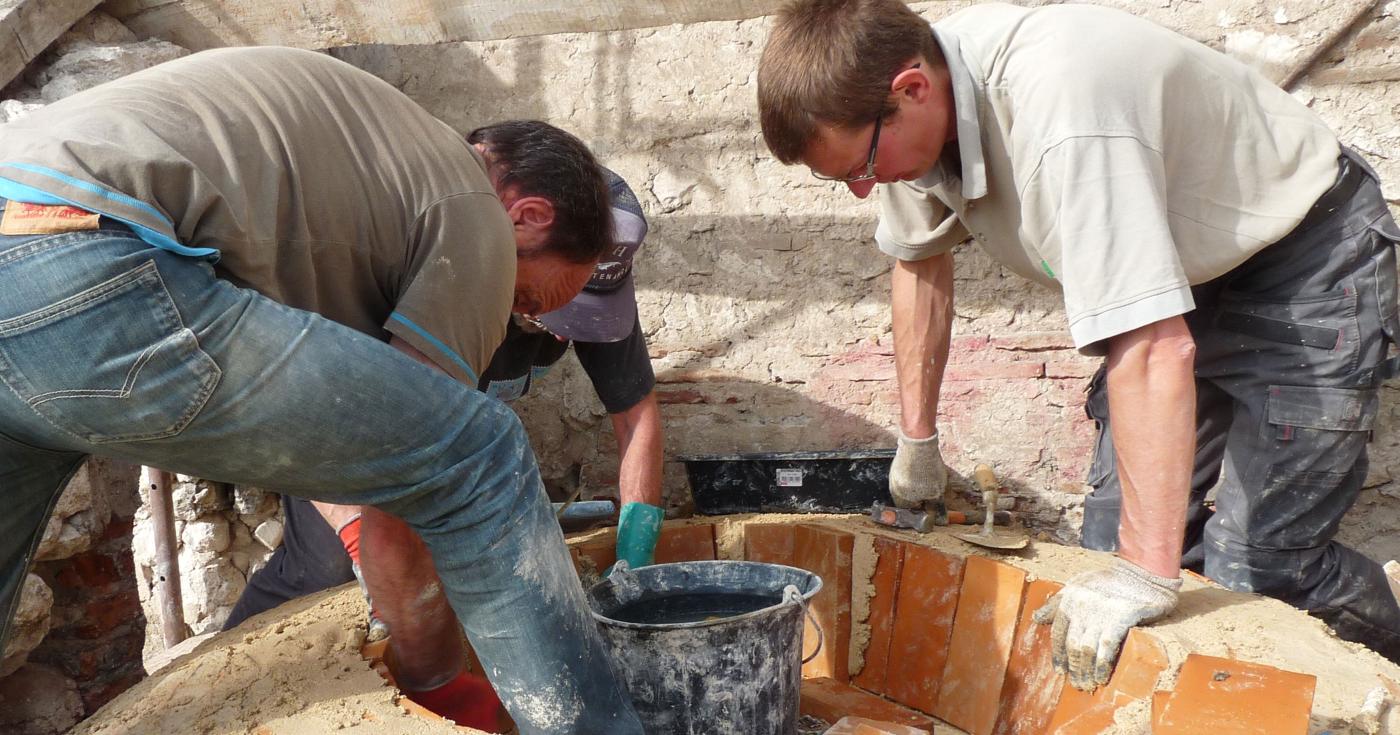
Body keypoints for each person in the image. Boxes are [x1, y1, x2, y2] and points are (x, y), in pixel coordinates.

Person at [756, 0, 1400, 691]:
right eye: (843, 178)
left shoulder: (1063, 115)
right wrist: (917, 440)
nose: (862, 190)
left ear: (912, 90)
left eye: (862, 168)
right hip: (1193, 267)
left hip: (1305, 254)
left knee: (1260, 565)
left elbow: (1153, 346)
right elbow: (919, 264)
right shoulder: (911, 116)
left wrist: (1146, 572)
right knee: (1106, 545)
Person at [0, 46, 644, 734]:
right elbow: (411, 473)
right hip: (81, 255)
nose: (521, 321)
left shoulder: (366, 176)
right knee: (485, 453)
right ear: (529, 217)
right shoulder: (472, 206)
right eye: (524, 297)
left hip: (25, 228)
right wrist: (433, 678)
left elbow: (339, 455)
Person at [220, 171, 666, 727]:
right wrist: (364, 537)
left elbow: (636, 414)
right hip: (355, 441)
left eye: (580, 310)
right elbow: (308, 420)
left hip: (452, 454)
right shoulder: (423, 275)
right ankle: (223, 689)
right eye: (550, 305)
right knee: (330, 572)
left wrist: (636, 553)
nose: (562, 334)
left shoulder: (591, 284)